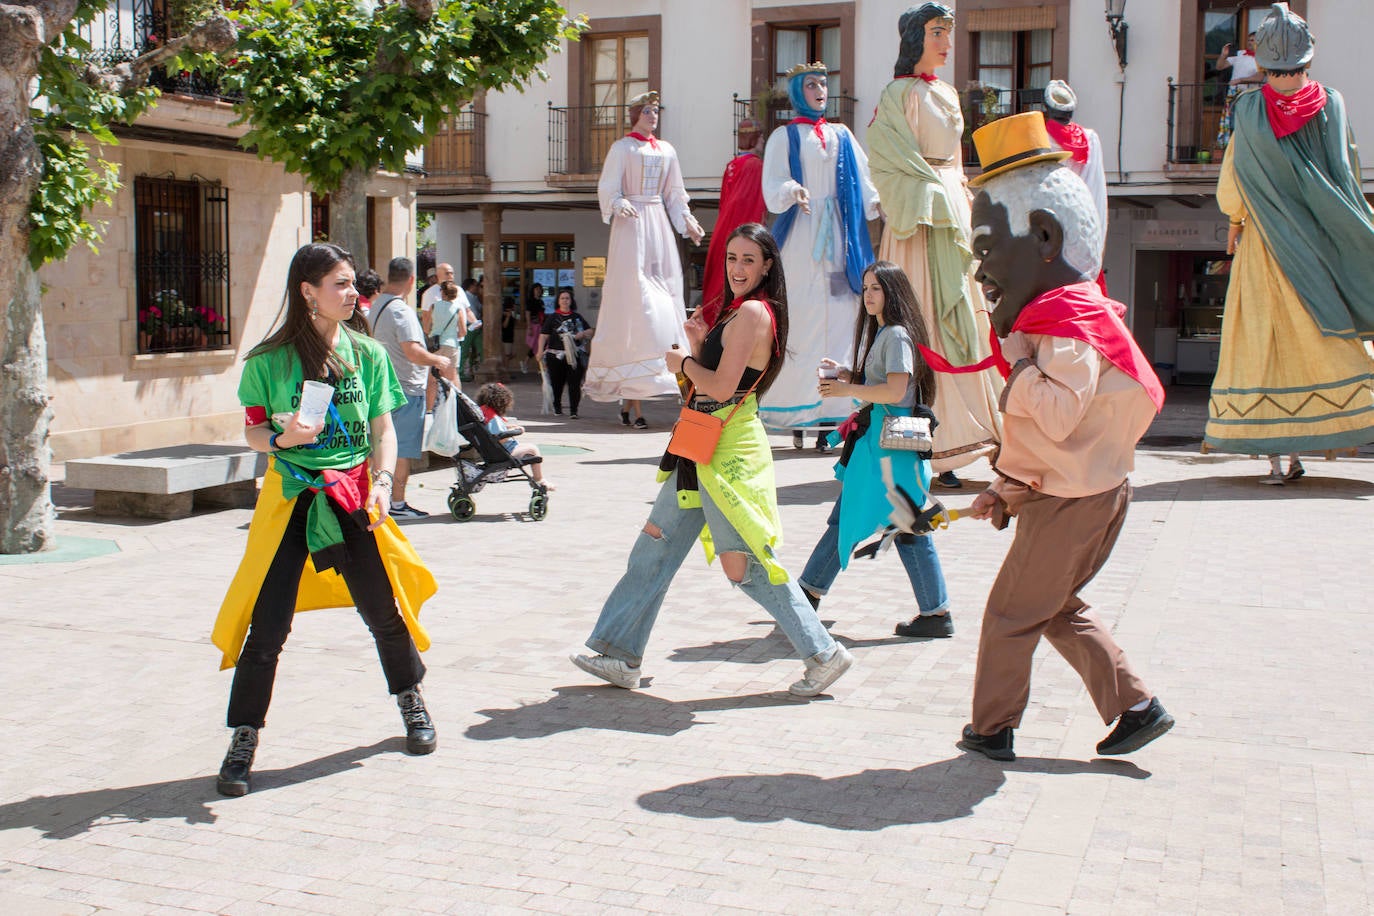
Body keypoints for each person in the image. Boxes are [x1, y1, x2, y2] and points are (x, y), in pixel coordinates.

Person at [952, 112, 1171, 762]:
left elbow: (1053, 417)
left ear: (1044, 237)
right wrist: (1008, 487)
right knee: (1050, 606)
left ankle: (991, 731)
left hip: (1075, 499)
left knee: (1011, 614)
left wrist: (1016, 362)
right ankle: (1136, 706)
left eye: (988, 244)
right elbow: (1050, 437)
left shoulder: (1068, 327)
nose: (978, 263)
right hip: (1076, 490)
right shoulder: (1061, 319)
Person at [571, 223, 853, 698]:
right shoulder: (738, 313)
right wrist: (700, 345)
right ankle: (619, 652)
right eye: (732, 258)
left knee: (745, 567)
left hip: (726, 454)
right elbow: (718, 381)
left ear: (766, 265)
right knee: (653, 550)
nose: (737, 268)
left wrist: (682, 361)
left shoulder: (752, 313)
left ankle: (823, 653)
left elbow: (720, 388)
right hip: (700, 445)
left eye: (748, 260)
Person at [210, 242, 439, 798]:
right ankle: (244, 738)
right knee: (267, 629)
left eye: (351, 283)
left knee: (384, 611)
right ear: (307, 291)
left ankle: (411, 701)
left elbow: (384, 430)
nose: (352, 293)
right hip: (292, 498)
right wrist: (284, 437)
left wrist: (383, 482)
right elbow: (254, 432)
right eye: (338, 284)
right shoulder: (268, 360)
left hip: (356, 496)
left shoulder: (368, 353)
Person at [1203, 3, 1374, 483]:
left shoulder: (1248, 109)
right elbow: (1349, 172)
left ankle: (1279, 456)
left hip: (1264, 246)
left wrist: (1234, 222)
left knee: (1263, 342)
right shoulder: (1332, 103)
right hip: (1319, 243)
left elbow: (1233, 175)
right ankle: (1327, 431)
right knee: (1326, 339)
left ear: (1260, 63)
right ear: (1308, 59)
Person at [867, 3, 1002, 489]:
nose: (946, 42)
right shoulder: (897, 93)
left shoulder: (946, 91)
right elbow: (883, 161)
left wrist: (961, 200)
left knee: (964, 319)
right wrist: (928, 199)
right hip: (918, 224)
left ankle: (981, 433)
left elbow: (956, 164)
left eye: (949, 32)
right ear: (914, 39)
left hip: (952, 217)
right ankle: (919, 451)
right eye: (936, 32)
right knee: (916, 329)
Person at [797, 261, 952, 638]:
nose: (868, 295)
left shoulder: (896, 334)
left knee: (863, 521)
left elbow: (896, 392)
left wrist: (849, 389)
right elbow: (886, 386)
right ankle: (935, 613)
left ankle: (804, 598)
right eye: (866, 288)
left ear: (892, 293)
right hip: (886, 449)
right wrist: (852, 377)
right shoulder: (888, 333)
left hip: (886, 451)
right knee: (902, 528)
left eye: (876, 288)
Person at [758, 62, 879, 445]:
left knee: (845, 317)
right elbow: (772, 182)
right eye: (811, 84)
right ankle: (797, 408)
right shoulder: (784, 136)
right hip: (803, 231)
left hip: (841, 235)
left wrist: (880, 202)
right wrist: (792, 189)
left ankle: (839, 411)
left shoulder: (842, 135)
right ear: (796, 92)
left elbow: (864, 179)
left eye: (824, 84)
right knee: (803, 315)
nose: (820, 90)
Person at [583, 90, 705, 427]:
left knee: (668, 289)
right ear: (635, 113)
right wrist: (617, 202)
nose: (653, 115)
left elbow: (675, 193)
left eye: (656, 110)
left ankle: (668, 361)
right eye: (647, 110)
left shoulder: (666, 150)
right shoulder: (622, 148)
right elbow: (608, 186)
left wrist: (687, 222)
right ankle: (635, 362)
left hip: (657, 220)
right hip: (632, 223)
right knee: (635, 291)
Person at [368, 257, 451, 519]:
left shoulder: (377, 305)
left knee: (379, 447)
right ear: (412, 280)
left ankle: (376, 498)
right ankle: (397, 503)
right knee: (401, 451)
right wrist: (438, 359)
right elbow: (412, 351)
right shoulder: (400, 311)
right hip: (405, 388)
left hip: (382, 388)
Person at [700, 118, 766, 327]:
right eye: (761, 137)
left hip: (723, 229)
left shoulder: (732, 165)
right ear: (756, 138)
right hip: (740, 229)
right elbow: (751, 203)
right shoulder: (755, 165)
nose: (763, 141)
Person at [1041, 80, 1107, 241]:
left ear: (1047, 108)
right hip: (1082, 217)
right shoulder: (1090, 138)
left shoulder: (1040, 136)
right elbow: (1095, 188)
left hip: (1047, 218)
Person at [475, 382, 552, 489]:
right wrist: (514, 431)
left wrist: (508, 428)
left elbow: (492, 431)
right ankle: (539, 479)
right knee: (533, 449)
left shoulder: (485, 413)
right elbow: (498, 438)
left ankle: (538, 479)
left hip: (496, 451)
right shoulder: (493, 418)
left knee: (528, 449)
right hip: (504, 453)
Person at [536, 287, 594, 418]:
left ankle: (574, 410)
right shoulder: (552, 318)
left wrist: (582, 334)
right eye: (562, 298)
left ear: (571, 301)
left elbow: (590, 331)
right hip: (555, 356)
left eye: (567, 298)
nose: (565, 301)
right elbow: (543, 335)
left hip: (574, 355)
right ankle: (557, 407)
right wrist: (539, 351)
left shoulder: (577, 317)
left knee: (574, 383)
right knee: (557, 383)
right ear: (558, 301)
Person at [1214, 32, 1263, 150]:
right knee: (1233, 124)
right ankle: (1233, 150)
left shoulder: (1262, 59)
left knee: (1247, 125)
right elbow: (1220, 66)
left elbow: (1259, 77)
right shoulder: (1240, 55)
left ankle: (1246, 150)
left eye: (1254, 40)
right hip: (1234, 95)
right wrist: (1223, 55)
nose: (1251, 42)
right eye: (1249, 40)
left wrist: (1240, 80)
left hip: (1251, 96)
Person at [431, 279, 467, 391]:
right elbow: (463, 332)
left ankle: (435, 404)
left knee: (434, 377)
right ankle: (456, 403)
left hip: (435, 344)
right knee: (453, 377)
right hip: (451, 345)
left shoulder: (433, 306)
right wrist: (453, 333)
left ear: (443, 292)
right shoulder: (457, 309)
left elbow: (426, 327)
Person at [419, 262, 454, 334]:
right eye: (447, 273)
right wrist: (427, 331)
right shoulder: (427, 292)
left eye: (452, 273)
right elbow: (425, 315)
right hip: (439, 334)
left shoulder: (457, 290)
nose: (450, 276)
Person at [459, 278, 483, 381]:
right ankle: (460, 372)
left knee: (481, 349)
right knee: (464, 350)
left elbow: (480, 308)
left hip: (477, 325)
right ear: (471, 286)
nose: (477, 287)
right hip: (468, 326)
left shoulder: (475, 297)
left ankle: (477, 370)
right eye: (476, 285)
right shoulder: (464, 296)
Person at [523, 282, 546, 373]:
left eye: (540, 290)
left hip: (540, 325)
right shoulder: (530, 301)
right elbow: (527, 314)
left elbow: (542, 314)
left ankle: (540, 366)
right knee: (536, 346)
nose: (538, 291)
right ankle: (529, 363)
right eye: (536, 289)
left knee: (541, 345)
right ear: (533, 291)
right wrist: (529, 327)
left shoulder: (541, 301)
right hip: (533, 325)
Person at [500, 295, 518, 365]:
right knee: (507, 355)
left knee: (510, 354)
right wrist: (508, 316)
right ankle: (505, 372)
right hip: (506, 337)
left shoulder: (510, 313)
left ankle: (505, 371)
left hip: (509, 337)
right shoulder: (505, 314)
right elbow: (504, 325)